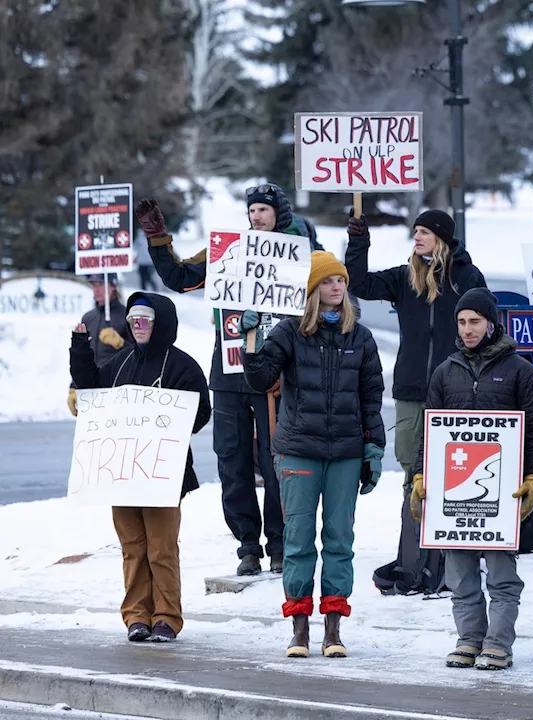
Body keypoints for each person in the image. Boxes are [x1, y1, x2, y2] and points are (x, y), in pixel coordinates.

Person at [137, 184, 322, 577]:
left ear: (280, 214)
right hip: (228, 372)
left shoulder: (298, 254)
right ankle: (247, 545)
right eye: (252, 210)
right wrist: (157, 239)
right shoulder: (229, 251)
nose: (257, 216)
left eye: (264, 210)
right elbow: (180, 277)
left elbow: (332, 291)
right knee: (231, 461)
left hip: (275, 377)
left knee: (277, 464)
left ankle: (280, 542)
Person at [242, 251, 386, 659]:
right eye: (326, 281)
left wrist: (373, 447)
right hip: (298, 452)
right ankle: (300, 630)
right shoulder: (289, 332)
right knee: (299, 541)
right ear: (311, 289)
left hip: (343, 453)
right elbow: (261, 378)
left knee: (340, 541)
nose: (336, 287)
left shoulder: (360, 337)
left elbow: (371, 397)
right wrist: (250, 342)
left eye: (340, 280)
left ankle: (333, 630)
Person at [401, 288, 533, 671]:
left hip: (501, 495)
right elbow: (429, 436)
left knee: (501, 575)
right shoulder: (445, 372)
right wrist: (420, 476)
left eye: (475, 322)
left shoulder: (521, 371)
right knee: (460, 574)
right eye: (462, 322)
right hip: (454, 496)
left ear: (491, 323)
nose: (467, 329)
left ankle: (498, 642)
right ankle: (469, 638)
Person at [345, 209, 486, 595]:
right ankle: (413, 559)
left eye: (423, 232)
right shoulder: (405, 276)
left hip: (455, 391)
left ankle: (446, 561)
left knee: (451, 475)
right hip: (410, 391)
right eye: (415, 232)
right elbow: (357, 282)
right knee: (413, 474)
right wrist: (358, 243)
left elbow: (488, 326)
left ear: (441, 237)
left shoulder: (466, 278)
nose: (417, 238)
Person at [69, 292, 211, 642]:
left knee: (161, 549)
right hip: (123, 474)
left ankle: (166, 617)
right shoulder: (119, 363)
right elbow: (93, 392)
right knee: (133, 548)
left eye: (144, 320)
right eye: (133, 321)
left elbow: (200, 413)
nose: (138, 326)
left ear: (159, 322)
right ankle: (137, 616)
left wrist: (171, 427)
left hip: (164, 474)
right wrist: (79, 348)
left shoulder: (182, 365)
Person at [67, 275, 130, 417]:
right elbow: (82, 357)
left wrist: (122, 344)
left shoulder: (127, 315)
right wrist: (74, 387)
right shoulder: (88, 318)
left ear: (113, 286)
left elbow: (140, 354)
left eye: (101, 285)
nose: (96, 290)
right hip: (92, 389)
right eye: (94, 285)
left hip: (119, 389)